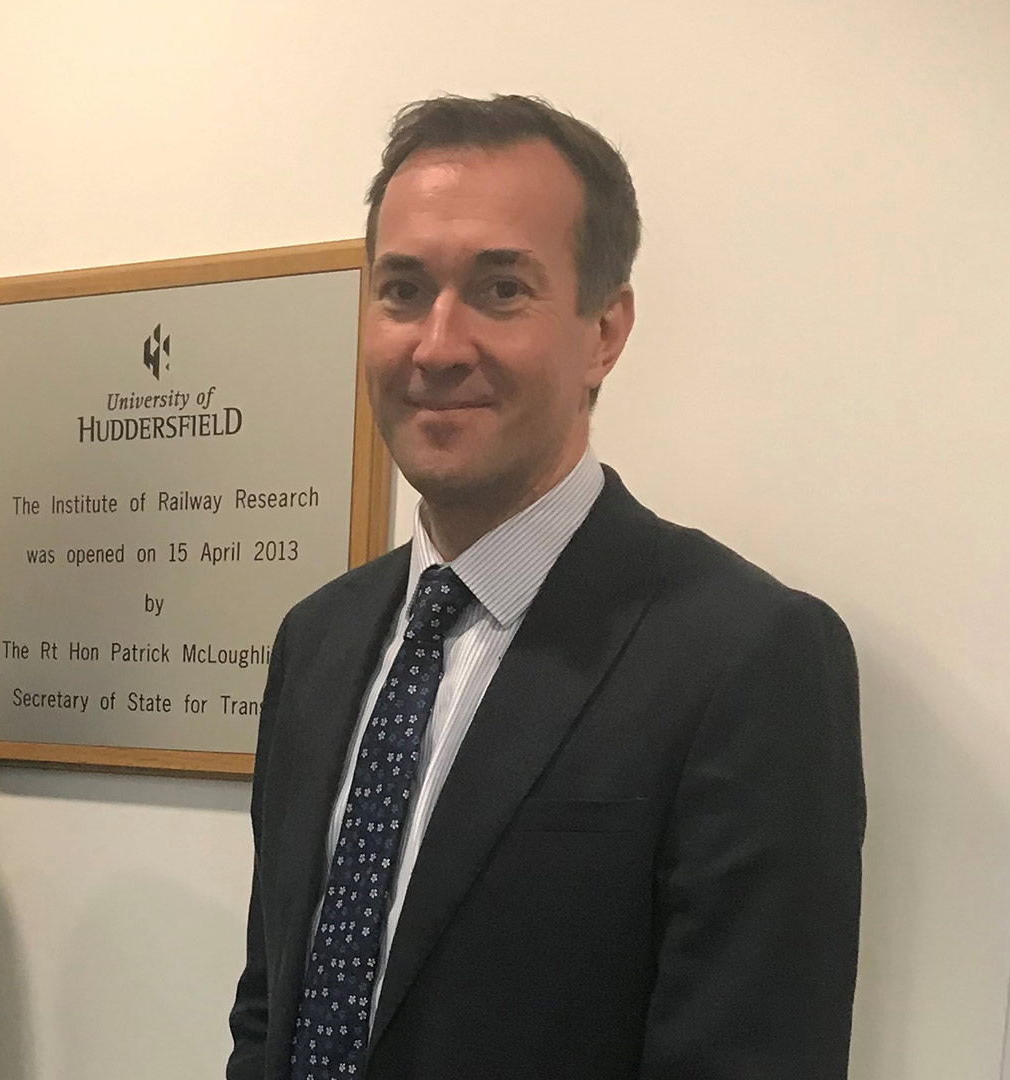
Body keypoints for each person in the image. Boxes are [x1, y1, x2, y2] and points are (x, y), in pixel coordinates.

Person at [227, 95, 864, 1079]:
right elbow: (274, 1005)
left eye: (500, 290)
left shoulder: (745, 657)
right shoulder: (317, 640)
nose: (436, 345)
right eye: (402, 289)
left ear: (604, 331)